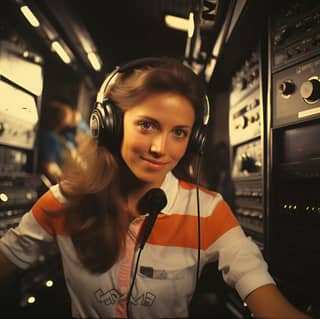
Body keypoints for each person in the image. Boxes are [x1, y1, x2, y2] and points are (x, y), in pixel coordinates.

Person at [0, 57, 312, 319]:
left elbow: (265, 296)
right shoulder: (66, 200)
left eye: (179, 132)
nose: (161, 148)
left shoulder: (210, 210)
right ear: (110, 124)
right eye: (147, 125)